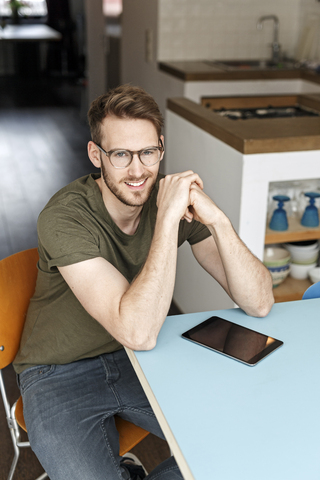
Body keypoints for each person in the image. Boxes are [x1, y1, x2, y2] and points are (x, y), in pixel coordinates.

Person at [13, 84, 274, 480]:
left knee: (237, 441)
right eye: (120, 155)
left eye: (148, 152)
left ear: (161, 147)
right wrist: (168, 220)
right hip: (57, 371)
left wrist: (218, 221)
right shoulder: (65, 216)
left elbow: (259, 303)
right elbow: (136, 330)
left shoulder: (171, 196)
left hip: (141, 361)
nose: (138, 171)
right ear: (95, 155)